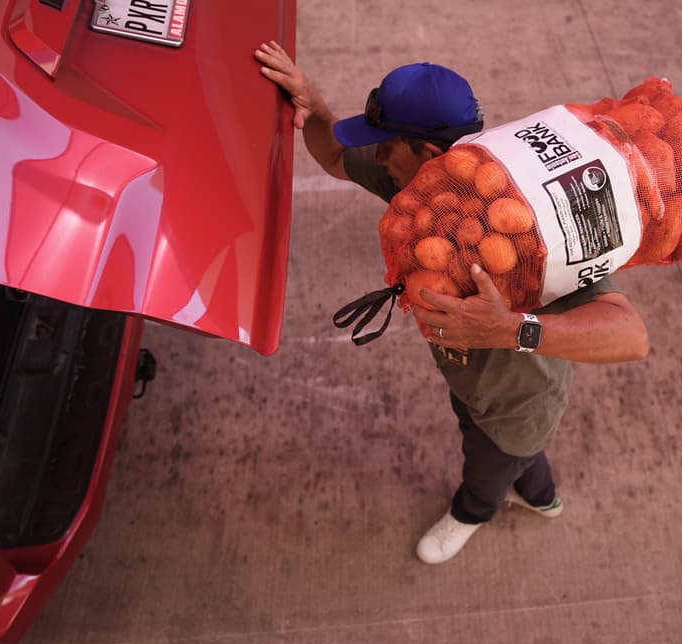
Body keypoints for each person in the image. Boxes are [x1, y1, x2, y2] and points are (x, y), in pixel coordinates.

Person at [255, 41, 649, 564]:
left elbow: (631, 334)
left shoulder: (532, 223)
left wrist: (511, 330)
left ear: (429, 153)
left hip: (517, 402)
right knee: (504, 445)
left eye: (386, 145)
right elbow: (332, 155)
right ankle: (541, 495)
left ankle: (473, 512)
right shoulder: (421, 189)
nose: (376, 158)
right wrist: (317, 107)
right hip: (471, 383)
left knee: (490, 462)